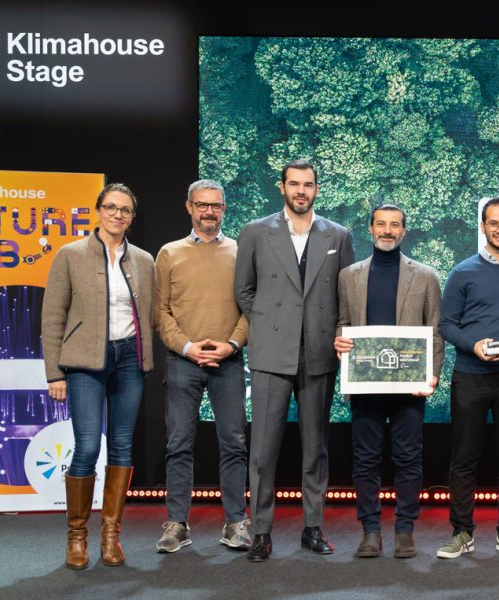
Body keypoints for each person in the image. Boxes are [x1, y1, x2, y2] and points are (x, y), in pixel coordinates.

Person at [234, 159, 354, 562]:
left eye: (308, 184)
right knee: (262, 451)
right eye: (294, 184)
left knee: (315, 448)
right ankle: (260, 532)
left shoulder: (338, 234)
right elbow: (244, 290)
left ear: (317, 189)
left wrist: (336, 333)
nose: (301, 191)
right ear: (282, 186)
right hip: (271, 353)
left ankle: (312, 528)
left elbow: (345, 297)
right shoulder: (255, 231)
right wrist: (271, 324)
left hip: (319, 353)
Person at [42, 183, 156, 569]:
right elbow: (52, 316)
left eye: (125, 210)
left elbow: (151, 313)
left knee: (122, 446)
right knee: (88, 446)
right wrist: (54, 373)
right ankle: (77, 536)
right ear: (98, 210)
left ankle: (111, 535)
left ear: (132, 217)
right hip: (84, 363)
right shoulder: (70, 254)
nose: (117, 215)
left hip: (129, 360)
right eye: (111, 207)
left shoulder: (144, 260)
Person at [334, 204, 442, 559]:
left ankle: (405, 530)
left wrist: (432, 375)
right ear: (370, 228)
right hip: (365, 385)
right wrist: (340, 341)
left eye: (395, 225)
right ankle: (370, 531)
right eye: (381, 224)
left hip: (409, 386)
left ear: (404, 231)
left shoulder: (425, 276)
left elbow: (435, 331)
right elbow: (342, 322)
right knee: (365, 460)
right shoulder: (348, 276)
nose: (387, 230)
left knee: (408, 458)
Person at [153, 179, 251, 554]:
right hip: (183, 361)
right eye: (202, 205)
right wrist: (189, 347)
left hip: (229, 362)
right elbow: (160, 311)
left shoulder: (241, 252)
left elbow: (251, 308)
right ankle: (177, 523)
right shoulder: (169, 253)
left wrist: (231, 344)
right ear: (189, 207)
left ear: (224, 208)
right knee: (178, 444)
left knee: (234, 444)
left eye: (216, 205)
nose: (209, 211)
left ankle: (236, 522)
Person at [435, 197, 499, 559]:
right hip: (470, 375)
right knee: (463, 457)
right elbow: (447, 324)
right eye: (494, 223)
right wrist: (473, 346)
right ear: (483, 226)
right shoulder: (462, 272)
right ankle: (461, 532)